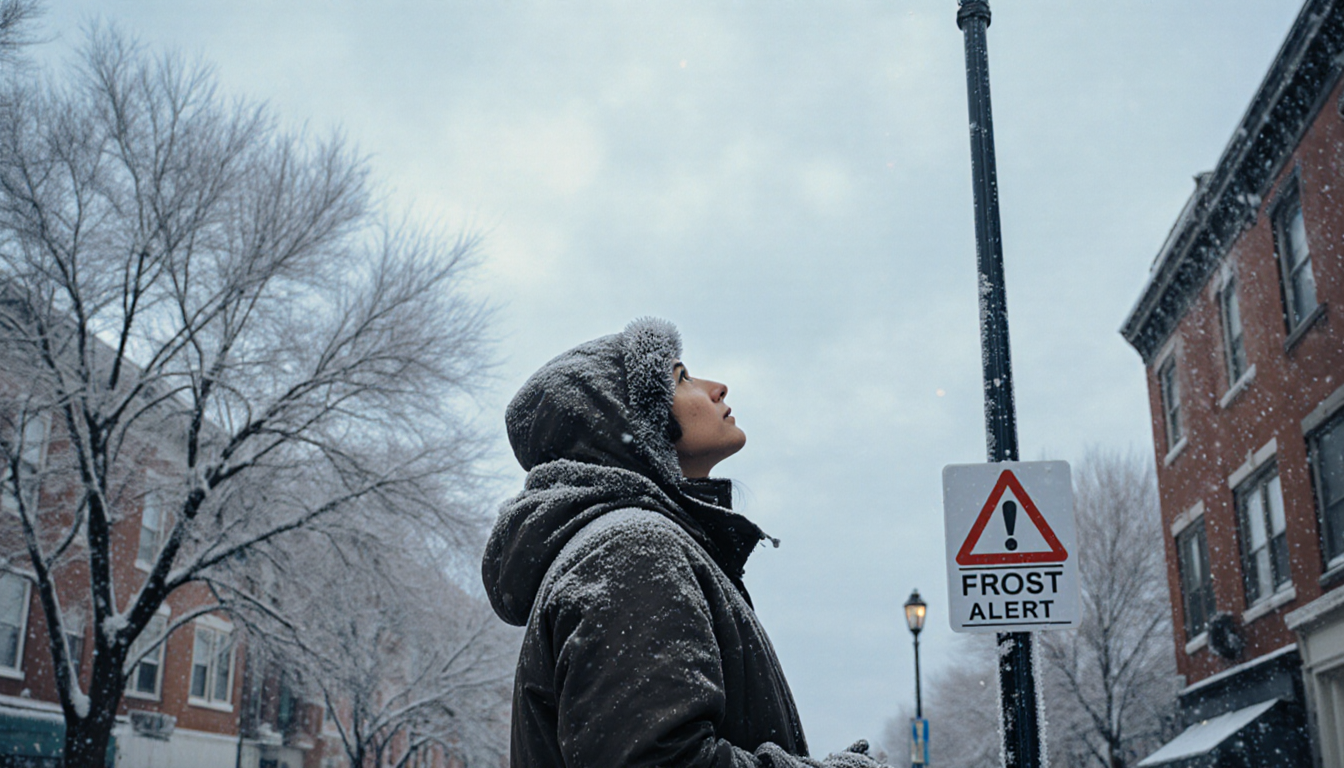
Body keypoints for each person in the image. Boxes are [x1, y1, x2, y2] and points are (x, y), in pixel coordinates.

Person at [482, 318, 888, 768]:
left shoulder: (631, 545)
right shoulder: (630, 551)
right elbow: (660, 761)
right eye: (683, 378)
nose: (718, 388)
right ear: (630, 422)